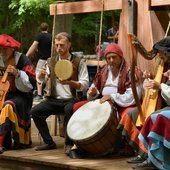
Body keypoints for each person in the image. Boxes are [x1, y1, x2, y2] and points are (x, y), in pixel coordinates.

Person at [69, 42, 144, 158]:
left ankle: (125, 146)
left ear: (120, 56)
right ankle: (78, 145)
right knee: (77, 106)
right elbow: (95, 86)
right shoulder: (104, 70)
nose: (111, 60)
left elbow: (135, 94)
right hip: (104, 102)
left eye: (114, 57)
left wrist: (113, 96)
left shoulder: (131, 70)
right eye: (108, 58)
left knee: (126, 115)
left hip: (122, 104)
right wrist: (93, 92)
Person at [30, 32, 89, 153]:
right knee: (35, 112)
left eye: (61, 45)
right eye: (56, 45)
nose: (58, 48)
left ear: (69, 44)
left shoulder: (79, 62)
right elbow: (42, 79)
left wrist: (70, 82)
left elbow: (84, 84)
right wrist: (41, 76)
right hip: (53, 99)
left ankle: (69, 143)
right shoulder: (51, 61)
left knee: (69, 110)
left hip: (72, 99)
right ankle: (49, 142)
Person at [117, 36, 170, 169]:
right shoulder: (163, 65)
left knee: (153, 116)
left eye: (161, 52)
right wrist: (148, 79)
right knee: (131, 113)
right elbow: (155, 86)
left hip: (166, 104)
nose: (158, 55)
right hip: (162, 100)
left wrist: (159, 86)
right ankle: (141, 152)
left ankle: (150, 156)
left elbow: (163, 89)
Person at [0, 34, 36, 154]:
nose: (2, 51)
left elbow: (31, 84)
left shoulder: (22, 60)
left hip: (21, 96)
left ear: (12, 48)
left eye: (4, 48)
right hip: (1, 95)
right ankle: (5, 142)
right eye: (0, 48)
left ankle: (1, 142)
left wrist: (18, 74)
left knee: (8, 105)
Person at [26, 22, 52, 101]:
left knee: (38, 75)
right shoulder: (51, 36)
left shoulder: (39, 36)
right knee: (49, 75)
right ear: (47, 28)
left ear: (41, 29)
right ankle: (48, 94)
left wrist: (26, 56)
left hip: (42, 59)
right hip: (50, 60)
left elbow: (34, 46)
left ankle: (40, 94)